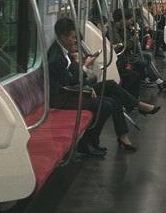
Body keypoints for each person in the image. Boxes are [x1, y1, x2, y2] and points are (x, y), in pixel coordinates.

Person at [48, 17, 134, 155]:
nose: (76, 40)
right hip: (62, 98)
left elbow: (74, 76)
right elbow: (69, 83)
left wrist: (82, 74)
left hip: (71, 90)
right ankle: (87, 143)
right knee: (107, 104)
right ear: (63, 36)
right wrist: (85, 67)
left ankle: (120, 131)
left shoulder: (64, 51)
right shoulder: (57, 57)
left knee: (111, 87)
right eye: (73, 37)